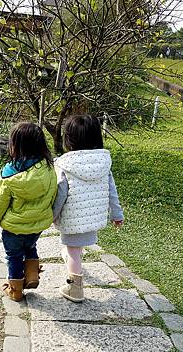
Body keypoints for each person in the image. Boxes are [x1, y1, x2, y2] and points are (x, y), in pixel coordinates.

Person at [53, 114, 124, 303]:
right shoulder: (103, 162)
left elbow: (61, 193)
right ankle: (73, 263)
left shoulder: (64, 165)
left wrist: (51, 215)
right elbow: (112, 191)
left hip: (73, 217)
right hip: (92, 216)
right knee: (76, 247)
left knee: (73, 250)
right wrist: (117, 214)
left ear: (69, 139)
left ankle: (74, 288)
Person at [0, 122, 57, 301]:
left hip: (13, 228)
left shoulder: (9, 172)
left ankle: (15, 291)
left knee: (14, 256)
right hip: (37, 226)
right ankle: (32, 275)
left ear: (15, 145)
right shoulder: (48, 168)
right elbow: (53, 193)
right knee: (30, 247)